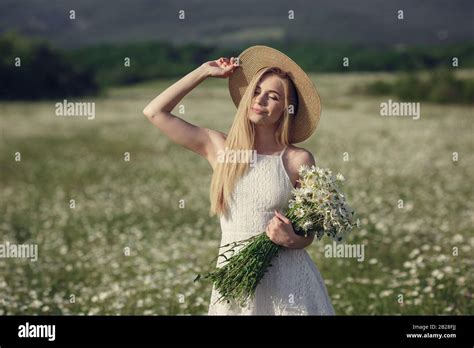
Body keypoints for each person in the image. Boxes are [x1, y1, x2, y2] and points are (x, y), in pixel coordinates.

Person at [143, 45, 335, 315]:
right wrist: (204, 71)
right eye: (256, 92)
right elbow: (154, 112)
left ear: (286, 109)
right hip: (235, 277)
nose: (260, 101)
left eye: (273, 97)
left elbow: (308, 235)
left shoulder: (298, 160)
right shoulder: (219, 148)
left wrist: (291, 238)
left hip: (288, 282)